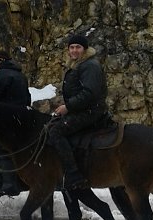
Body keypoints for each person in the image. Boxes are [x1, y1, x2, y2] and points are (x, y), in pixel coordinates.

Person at [49, 34, 109, 191]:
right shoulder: (78, 65)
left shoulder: (90, 66)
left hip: (90, 111)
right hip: (82, 109)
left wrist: (68, 107)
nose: (74, 50)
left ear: (85, 49)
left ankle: (74, 174)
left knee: (56, 132)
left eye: (78, 47)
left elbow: (90, 93)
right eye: (72, 47)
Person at [0, 50, 31, 196]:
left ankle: (7, 184)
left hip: (5, 119)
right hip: (21, 118)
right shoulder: (20, 75)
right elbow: (27, 98)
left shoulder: (1, 75)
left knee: (0, 148)